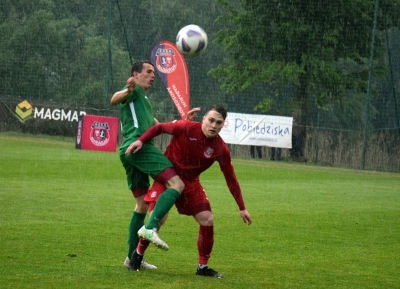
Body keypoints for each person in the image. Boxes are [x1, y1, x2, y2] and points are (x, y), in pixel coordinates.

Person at [125, 105, 253, 278]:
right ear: (204, 119)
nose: (214, 125)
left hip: (191, 182)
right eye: (211, 120)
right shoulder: (186, 127)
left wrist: (242, 207)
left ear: (223, 125)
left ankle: (202, 267)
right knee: (158, 217)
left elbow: (230, 177)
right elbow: (160, 127)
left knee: (207, 219)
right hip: (168, 175)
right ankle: (137, 257)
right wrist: (140, 140)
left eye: (219, 123)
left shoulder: (220, 148)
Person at [110, 61, 186, 270]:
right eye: (149, 72)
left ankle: (132, 259)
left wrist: (182, 124)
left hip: (128, 151)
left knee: (142, 205)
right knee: (176, 184)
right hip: (138, 146)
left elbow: (158, 125)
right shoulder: (132, 92)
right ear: (135, 75)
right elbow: (114, 99)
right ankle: (151, 228)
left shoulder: (144, 99)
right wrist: (128, 89)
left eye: (154, 72)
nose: (153, 76)